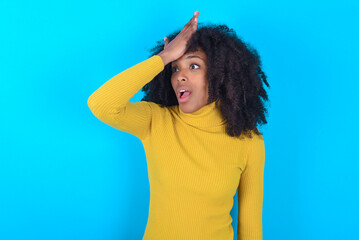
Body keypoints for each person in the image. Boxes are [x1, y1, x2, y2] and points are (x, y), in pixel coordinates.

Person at [87, 10, 270, 240]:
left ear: (219, 76)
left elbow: (250, 226)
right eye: (175, 68)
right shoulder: (156, 121)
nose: (180, 76)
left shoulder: (249, 141)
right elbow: (101, 104)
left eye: (193, 66)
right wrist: (163, 57)